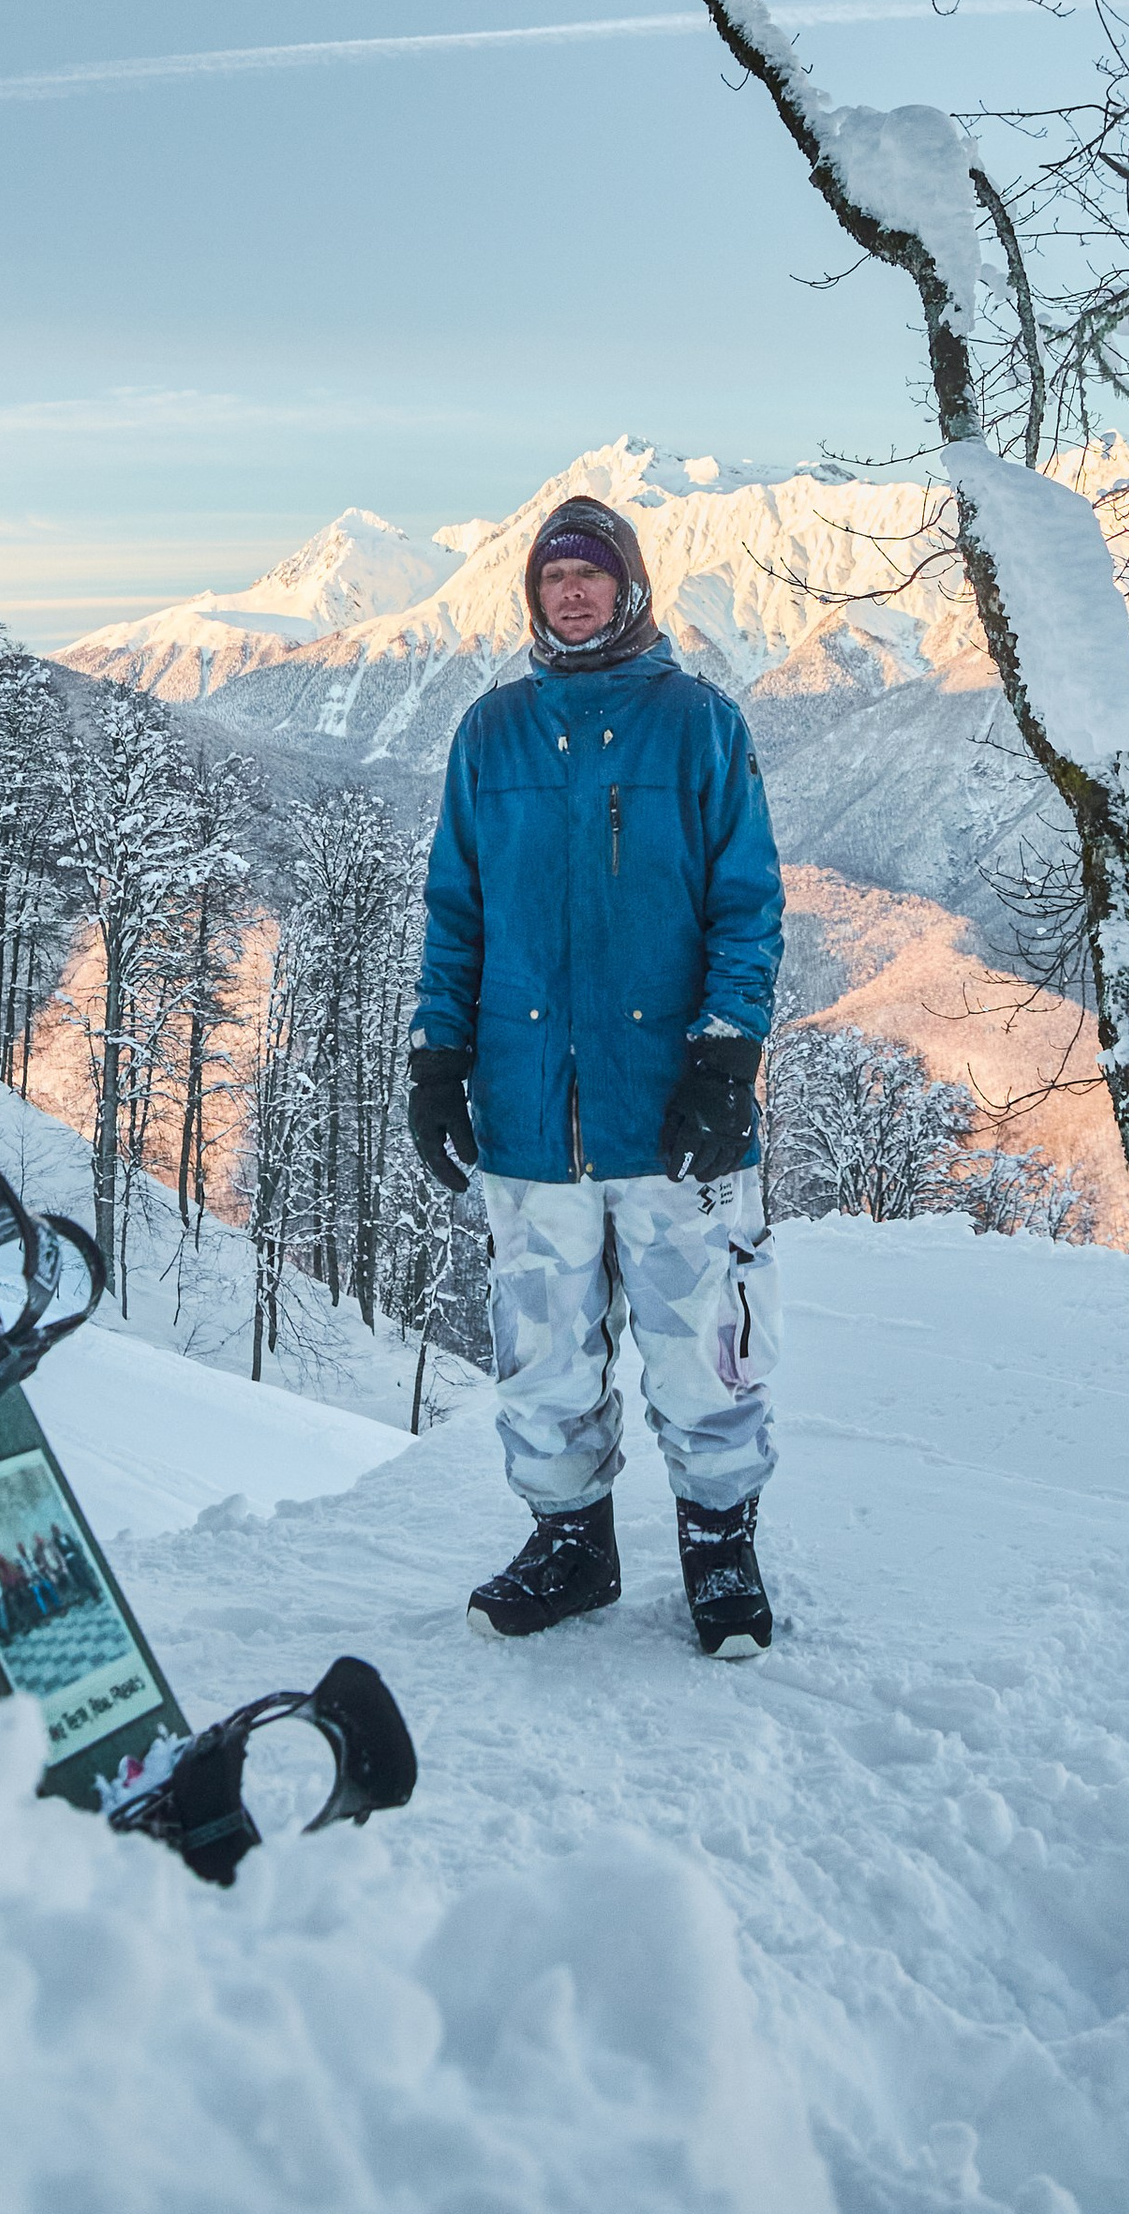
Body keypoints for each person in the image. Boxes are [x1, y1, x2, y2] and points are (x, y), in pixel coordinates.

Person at [406, 494, 785, 1656]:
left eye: (590, 575)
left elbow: (747, 904)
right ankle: (571, 1545)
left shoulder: (699, 724)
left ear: (628, 588)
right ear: (533, 597)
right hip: (528, 1106)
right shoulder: (492, 731)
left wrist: (727, 1059)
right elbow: (454, 911)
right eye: (551, 579)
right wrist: (437, 1056)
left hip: (671, 1107)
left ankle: (719, 1551)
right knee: (542, 1349)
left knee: (701, 1344)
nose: (571, 594)